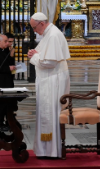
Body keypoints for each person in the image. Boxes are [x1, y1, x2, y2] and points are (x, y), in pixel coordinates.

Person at [27, 12, 70, 158]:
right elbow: (46, 55)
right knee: (48, 114)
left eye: (34, 27)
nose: (34, 31)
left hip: (53, 80)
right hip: (51, 78)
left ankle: (51, 150)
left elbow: (49, 63)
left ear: (42, 23)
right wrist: (37, 53)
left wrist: (34, 57)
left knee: (50, 114)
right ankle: (47, 149)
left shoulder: (52, 35)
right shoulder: (50, 33)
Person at [0, 34, 16, 130]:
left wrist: (11, 57)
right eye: (5, 41)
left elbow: (10, 63)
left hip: (8, 80)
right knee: (1, 103)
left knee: (9, 103)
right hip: (0, 81)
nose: (7, 43)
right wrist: (8, 68)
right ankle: (0, 123)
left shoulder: (5, 51)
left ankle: (8, 121)